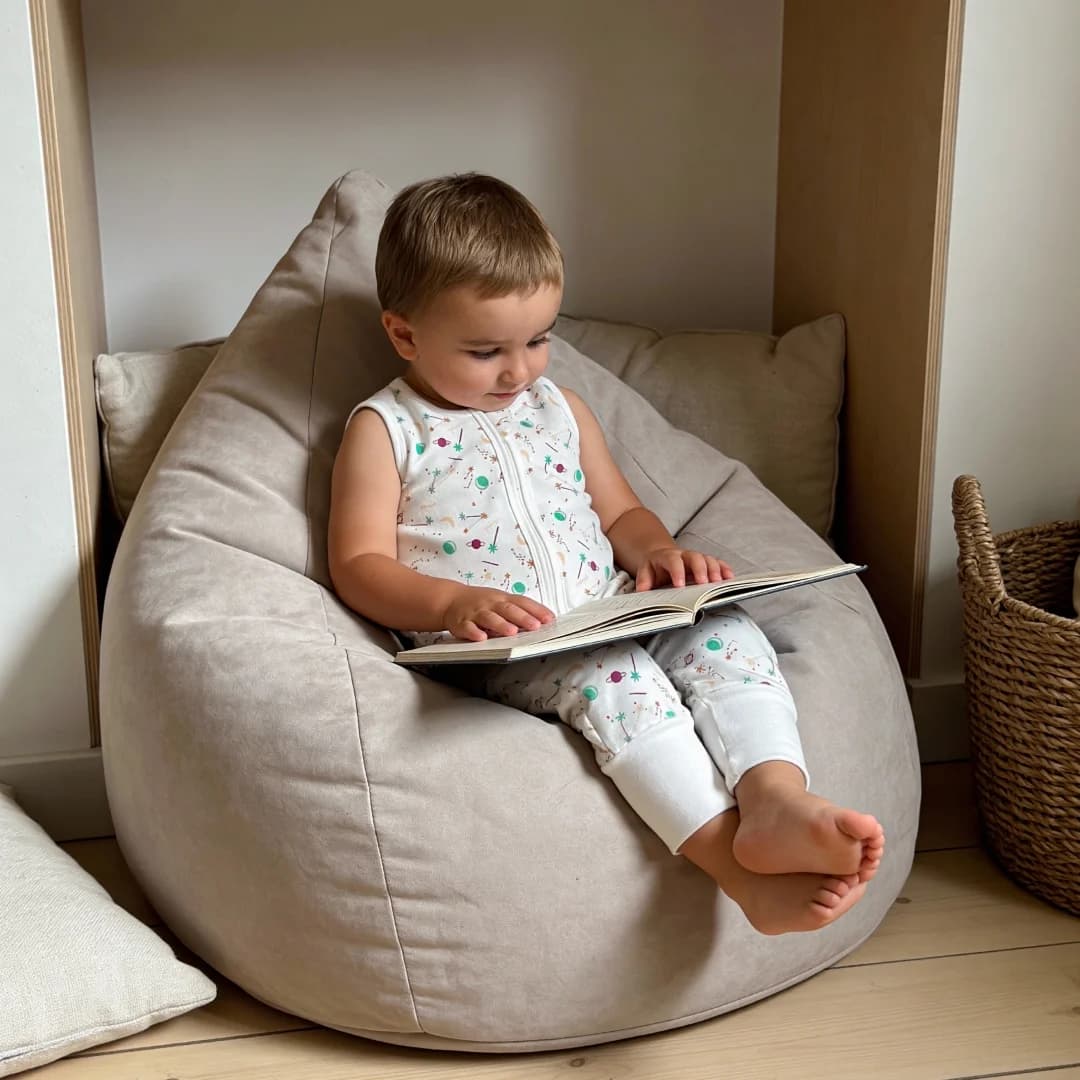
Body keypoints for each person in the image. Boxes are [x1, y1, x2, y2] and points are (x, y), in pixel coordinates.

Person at [328, 173, 884, 935]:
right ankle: (733, 866)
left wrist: (659, 554)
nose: (519, 370)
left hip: (609, 604)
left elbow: (619, 510)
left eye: (538, 340)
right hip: (504, 645)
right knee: (614, 678)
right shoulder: (387, 429)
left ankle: (774, 796)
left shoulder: (559, 408)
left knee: (726, 631)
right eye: (486, 351)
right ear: (404, 335)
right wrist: (452, 604)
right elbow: (358, 563)